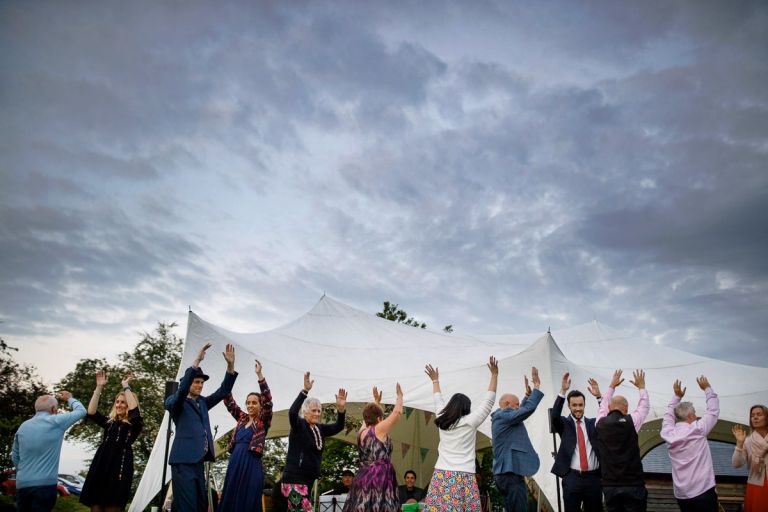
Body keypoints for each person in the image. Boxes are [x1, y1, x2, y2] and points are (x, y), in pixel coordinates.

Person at [165, 342, 237, 512]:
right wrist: (196, 360)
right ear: (187, 382)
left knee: (200, 506)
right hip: (183, 462)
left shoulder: (203, 402)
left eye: (201, 383)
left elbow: (223, 391)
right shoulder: (175, 402)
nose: (199, 385)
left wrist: (230, 366)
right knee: (187, 507)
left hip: (198, 463)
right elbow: (181, 392)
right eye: (196, 382)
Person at [423, 356, 498, 512]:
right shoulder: (471, 421)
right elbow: (489, 401)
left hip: (441, 475)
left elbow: (438, 399)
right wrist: (494, 375)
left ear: (450, 406)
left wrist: (435, 380)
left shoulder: (442, 420)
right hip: (464, 476)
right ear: (467, 408)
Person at [281, 371, 347, 511]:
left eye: (319, 411)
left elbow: (338, 426)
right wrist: (304, 391)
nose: (317, 413)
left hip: (309, 480)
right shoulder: (298, 425)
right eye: (314, 410)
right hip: (294, 479)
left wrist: (341, 411)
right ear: (305, 412)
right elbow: (292, 412)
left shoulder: (320, 428)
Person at [79, 371, 144, 511]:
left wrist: (126, 386)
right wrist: (99, 388)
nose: (119, 405)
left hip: (119, 467)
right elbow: (91, 412)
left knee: (112, 506)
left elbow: (135, 412)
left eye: (123, 402)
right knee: (95, 506)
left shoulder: (134, 424)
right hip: (101, 465)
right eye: (118, 402)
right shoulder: (110, 422)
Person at [12, 391, 86, 512]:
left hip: (22, 485)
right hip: (44, 486)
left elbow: (15, 455)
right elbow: (81, 411)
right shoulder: (56, 421)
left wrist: (23, 472)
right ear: (53, 409)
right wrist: (70, 398)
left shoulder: (23, 427)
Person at [219, 359, 274, 512]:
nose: (250, 405)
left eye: (254, 403)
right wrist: (229, 369)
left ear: (260, 405)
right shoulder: (242, 419)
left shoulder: (263, 421)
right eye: (248, 402)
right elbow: (228, 400)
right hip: (235, 462)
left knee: (248, 498)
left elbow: (268, 401)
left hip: (252, 464)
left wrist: (260, 375)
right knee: (231, 497)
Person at [660, 375, 719, 511]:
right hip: (703, 491)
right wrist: (707, 389)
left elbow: (668, 416)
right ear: (691, 416)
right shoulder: (698, 429)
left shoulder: (667, 433)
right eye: (695, 414)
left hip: (681, 494)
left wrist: (676, 397)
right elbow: (713, 410)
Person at [595, 369, 650, 512]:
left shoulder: (600, 423)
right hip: (633, 485)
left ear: (609, 408)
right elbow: (644, 407)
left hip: (610, 486)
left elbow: (603, 406)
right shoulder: (632, 422)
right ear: (626, 409)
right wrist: (642, 388)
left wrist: (611, 386)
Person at [343, 384, 403, 512]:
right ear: (379, 418)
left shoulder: (361, 431)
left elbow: (369, 416)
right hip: (379, 477)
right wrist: (400, 396)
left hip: (364, 476)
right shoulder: (379, 430)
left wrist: (376, 402)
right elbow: (397, 413)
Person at [491, 366, 544, 512]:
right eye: (516, 405)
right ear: (507, 405)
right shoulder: (503, 416)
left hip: (506, 474)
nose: (519, 407)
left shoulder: (503, 417)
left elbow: (519, 411)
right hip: (510, 475)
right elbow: (525, 411)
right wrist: (537, 386)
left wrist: (527, 397)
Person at [549, 372, 602, 512]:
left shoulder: (593, 424)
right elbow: (554, 416)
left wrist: (599, 397)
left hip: (594, 478)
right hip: (572, 478)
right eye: (574, 405)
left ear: (584, 405)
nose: (578, 408)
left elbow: (606, 418)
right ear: (569, 406)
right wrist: (563, 391)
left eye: (580, 405)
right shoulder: (565, 424)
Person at [732, 404, 768, 512]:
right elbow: (736, 464)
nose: (755, 417)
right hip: (756, 486)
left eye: (759, 414)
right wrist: (739, 444)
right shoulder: (748, 440)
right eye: (752, 415)